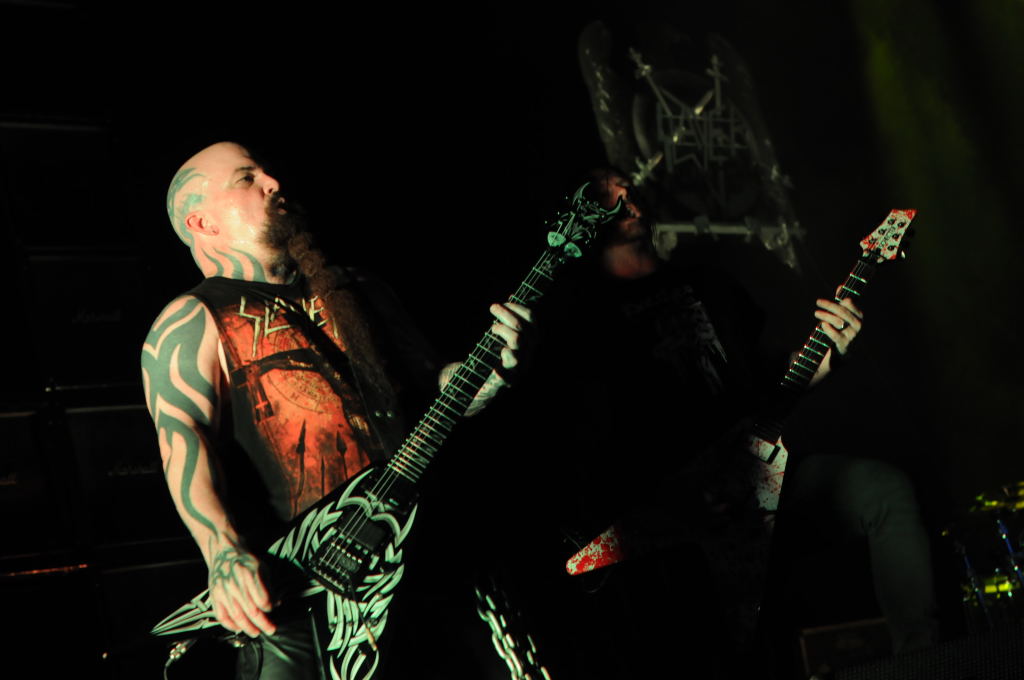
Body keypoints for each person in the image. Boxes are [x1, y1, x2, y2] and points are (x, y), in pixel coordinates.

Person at [521, 169, 936, 679]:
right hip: (670, 530)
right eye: (607, 193)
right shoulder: (581, 325)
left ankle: (924, 664)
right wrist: (678, 496)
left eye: (628, 186)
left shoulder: (711, 285)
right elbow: (586, 454)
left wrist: (828, 357)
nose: (625, 197)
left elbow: (767, 389)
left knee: (883, 490)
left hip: (760, 485)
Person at [141, 141, 533, 679]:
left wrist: (483, 381)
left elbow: (432, 392)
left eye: (267, 172)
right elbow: (182, 438)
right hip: (314, 590)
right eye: (246, 178)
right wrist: (222, 552)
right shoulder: (193, 319)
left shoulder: (358, 288)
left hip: (438, 552)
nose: (273, 183)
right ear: (202, 222)